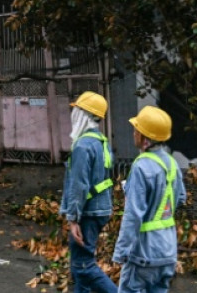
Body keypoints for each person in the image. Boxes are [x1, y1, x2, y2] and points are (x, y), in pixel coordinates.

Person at [113, 106, 186, 293]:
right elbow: (180, 197)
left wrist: (120, 252)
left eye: (137, 129)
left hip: (143, 254)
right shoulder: (172, 164)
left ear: (145, 139)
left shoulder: (141, 167)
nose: (134, 132)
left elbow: (133, 215)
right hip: (167, 251)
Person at [59, 91, 117, 293]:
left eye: (76, 110)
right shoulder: (101, 142)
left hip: (87, 213)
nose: (72, 113)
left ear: (82, 114)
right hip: (100, 209)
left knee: (82, 266)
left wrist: (73, 218)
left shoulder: (83, 146)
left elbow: (79, 186)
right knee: (80, 270)